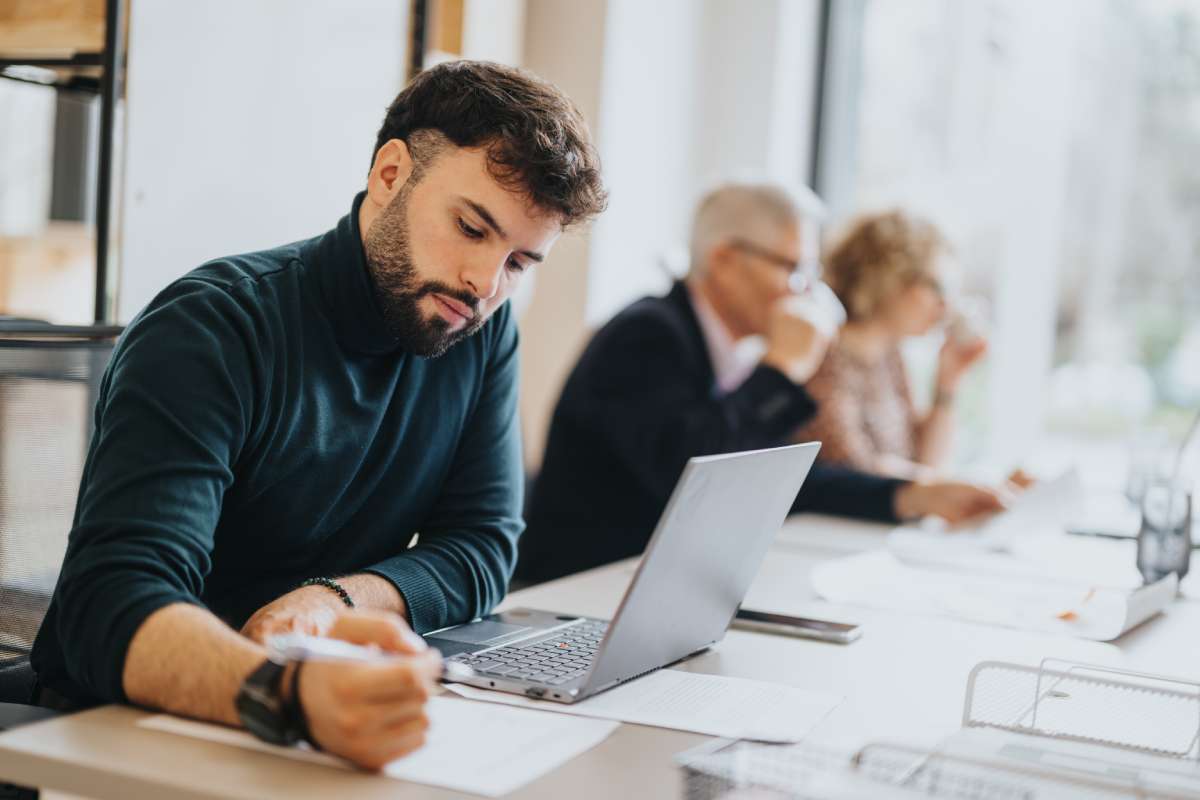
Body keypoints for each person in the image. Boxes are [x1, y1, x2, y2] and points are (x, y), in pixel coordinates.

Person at [30, 60, 606, 770]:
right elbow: (109, 604)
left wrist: (334, 602)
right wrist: (291, 694)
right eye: (469, 227)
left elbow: (483, 544)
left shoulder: (477, 332)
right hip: (127, 734)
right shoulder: (214, 327)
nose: (486, 284)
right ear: (391, 174)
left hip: (307, 725)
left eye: (520, 262)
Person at [518, 181, 1005, 584]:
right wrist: (781, 370)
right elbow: (697, 474)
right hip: (579, 591)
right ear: (726, 260)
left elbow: (779, 476)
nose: (807, 290)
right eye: (793, 268)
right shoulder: (646, 335)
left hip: (649, 586)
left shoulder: (726, 347)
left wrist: (911, 494)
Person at [795, 210, 986, 480]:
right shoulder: (821, 354)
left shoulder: (890, 356)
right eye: (937, 287)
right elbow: (856, 470)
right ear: (891, 278)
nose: (945, 305)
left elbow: (927, 462)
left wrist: (949, 380)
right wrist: (953, 488)